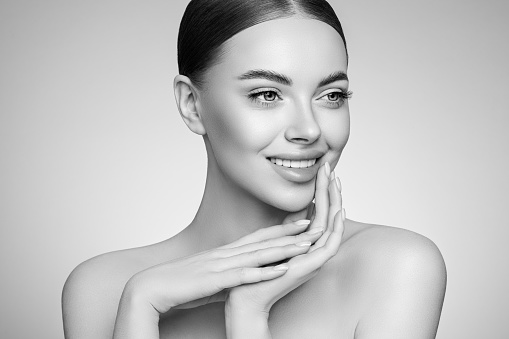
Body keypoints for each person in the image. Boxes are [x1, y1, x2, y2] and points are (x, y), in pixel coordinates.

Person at [62, 0, 447, 338]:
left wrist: (249, 314)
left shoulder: (395, 267)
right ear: (192, 105)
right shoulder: (105, 289)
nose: (309, 129)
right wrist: (140, 305)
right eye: (267, 95)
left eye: (331, 96)